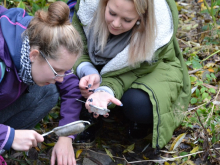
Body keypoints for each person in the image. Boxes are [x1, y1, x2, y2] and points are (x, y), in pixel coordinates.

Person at [72, 0, 191, 151]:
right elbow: (74, 46)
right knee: (73, 78)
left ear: (141, 17)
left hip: (150, 70)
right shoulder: (87, 10)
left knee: (138, 104)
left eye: (127, 20)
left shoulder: (156, 36)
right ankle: (91, 114)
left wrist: (105, 89)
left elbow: (132, 72)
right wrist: (88, 71)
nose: (115, 23)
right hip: (106, 72)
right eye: (112, 13)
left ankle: (138, 121)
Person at [0, 1, 83, 165]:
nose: (61, 78)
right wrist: (8, 136)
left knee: (48, 92)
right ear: (34, 55)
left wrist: (66, 135)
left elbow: (70, 87)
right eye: (57, 71)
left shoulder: (41, 33)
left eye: (65, 71)